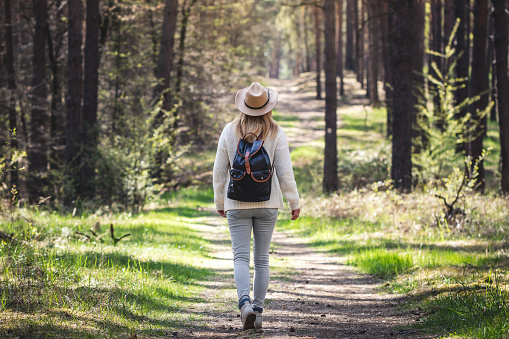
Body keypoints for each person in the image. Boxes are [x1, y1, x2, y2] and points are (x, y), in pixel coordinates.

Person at [212, 82, 300, 330]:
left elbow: (219, 171)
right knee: (262, 260)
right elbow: (285, 172)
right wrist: (294, 201)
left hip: (236, 203)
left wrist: (220, 201)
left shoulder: (229, 130)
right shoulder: (275, 131)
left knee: (240, 257)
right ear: (267, 107)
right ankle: (258, 313)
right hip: (268, 203)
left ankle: (245, 306)